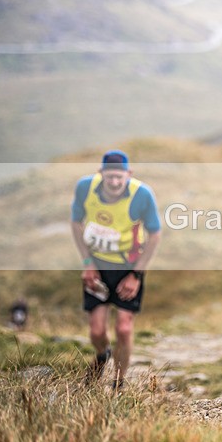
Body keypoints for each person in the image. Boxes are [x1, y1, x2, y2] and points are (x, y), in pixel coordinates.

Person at [71, 150, 162, 389]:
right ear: (100, 173)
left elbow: (155, 234)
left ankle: (118, 383)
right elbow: (76, 222)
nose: (114, 182)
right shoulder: (85, 188)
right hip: (97, 265)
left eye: (119, 177)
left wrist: (136, 275)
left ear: (128, 174)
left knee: (123, 327)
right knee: (96, 331)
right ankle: (103, 354)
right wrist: (87, 263)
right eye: (109, 176)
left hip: (128, 267)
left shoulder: (142, 195)